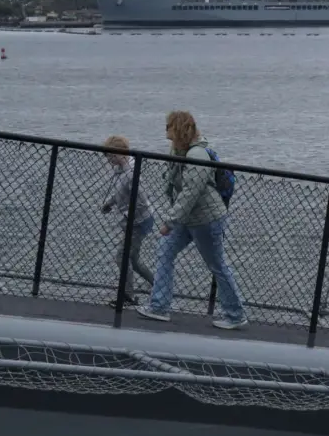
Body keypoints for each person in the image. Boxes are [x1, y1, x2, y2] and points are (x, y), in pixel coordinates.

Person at [136, 110, 248, 330]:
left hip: (206, 219)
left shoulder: (197, 155)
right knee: (165, 252)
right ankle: (159, 307)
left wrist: (170, 221)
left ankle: (236, 315)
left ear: (178, 129)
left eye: (168, 126)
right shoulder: (179, 150)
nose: (165, 130)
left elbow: (190, 192)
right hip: (187, 218)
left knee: (217, 265)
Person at [101, 135, 155, 309]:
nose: (109, 159)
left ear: (122, 153)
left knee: (122, 257)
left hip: (139, 221)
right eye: (108, 156)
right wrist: (110, 203)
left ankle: (128, 296)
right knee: (134, 260)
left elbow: (141, 201)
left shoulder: (131, 173)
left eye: (112, 155)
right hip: (134, 220)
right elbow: (120, 192)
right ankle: (160, 286)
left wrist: (127, 216)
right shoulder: (120, 171)